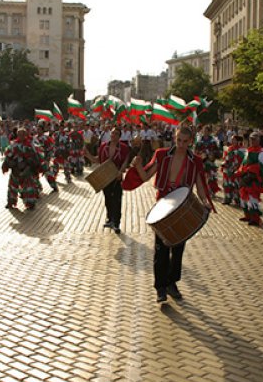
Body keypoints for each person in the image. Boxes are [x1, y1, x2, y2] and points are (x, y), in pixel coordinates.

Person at [128, 126, 211, 303]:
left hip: (183, 205)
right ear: (174, 138)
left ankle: (172, 283)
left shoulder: (195, 161)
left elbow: (200, 185)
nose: (181, 144)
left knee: (178, 248)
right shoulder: (162, 154)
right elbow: (145, 176)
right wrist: (137, 165)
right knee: (161, 248)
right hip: (164, 205)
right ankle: (160, 288)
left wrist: (204, 201)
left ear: (190, 142)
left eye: (185, 141)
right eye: (178, 140)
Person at [86, 127, 130, 234]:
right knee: (107, 199)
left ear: (119, 136)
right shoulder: (103, 146)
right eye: (112, 133)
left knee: (117, 199)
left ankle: (116, 223)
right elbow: (98, 160)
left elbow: (126, 161)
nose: (113, 135)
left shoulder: (124, 148)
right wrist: (87, 155)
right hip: (105, 177)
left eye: (116, 133)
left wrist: (121, 171)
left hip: (117, 177)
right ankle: (109, 219)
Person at [2, 127, 44, 210]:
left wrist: (32, 165)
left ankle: (30, 203)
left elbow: (36, 157)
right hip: (15, 169)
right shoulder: (13, 144)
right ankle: (11, 202)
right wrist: (6, 164)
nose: (20, 136)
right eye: (19, 134)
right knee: (12, 187)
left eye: (22, 134)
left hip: (27, 170)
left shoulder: (30, 145)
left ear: (25, 135)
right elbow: (8, 156)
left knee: (29, 188)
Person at [236, 132, 263, 226]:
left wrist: (250, 171)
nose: (252, 141)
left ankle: (255, 219)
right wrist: (240, 171)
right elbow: (244, 163)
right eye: (251, 139)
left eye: (254, 139)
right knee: (243, 197)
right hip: (245, 177)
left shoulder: (262, 152)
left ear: (259, 140)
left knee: (252, 199)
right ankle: (248, 215)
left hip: (254, 179)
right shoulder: (248, 151)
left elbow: (261, 167)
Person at [196, 125, 222, 197]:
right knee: (202, 177)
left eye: (207, 131)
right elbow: (196, 151)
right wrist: (200, 154)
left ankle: (211, 191)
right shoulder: (199, 141)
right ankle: (202, 191)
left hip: (211, 162)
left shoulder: (213, 141)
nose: (205, 132)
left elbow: (218, 152)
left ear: (209, 132)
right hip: (202, 162)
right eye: (204, 131)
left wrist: (213, 154)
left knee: (211, 177)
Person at [221, 135, 245, 207]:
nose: (232, 141)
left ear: (239, 141)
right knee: (227, 185)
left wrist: (236, 168)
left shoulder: (242, 150)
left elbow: (242, 161)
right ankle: (227, 199)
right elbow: (226, 158)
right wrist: (224, 163)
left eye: (234, 140)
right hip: (227, 170)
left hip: (236, 171)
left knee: (236, 186)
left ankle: (237, 200)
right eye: (232, 140)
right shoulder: (229, 149)